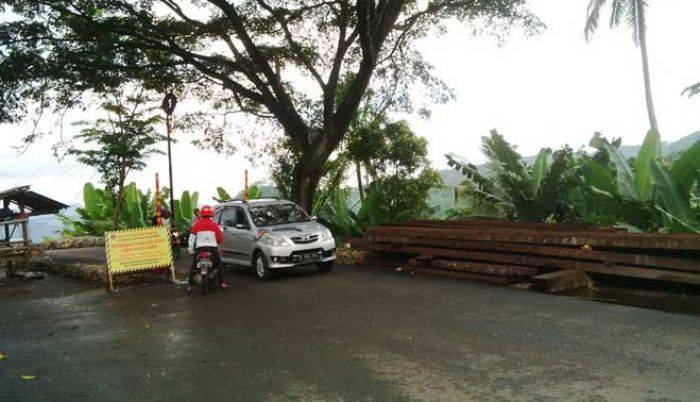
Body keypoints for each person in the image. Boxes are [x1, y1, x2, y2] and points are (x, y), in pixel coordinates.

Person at [187, 205, 228, 291]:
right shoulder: (214, 225)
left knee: (194, 266)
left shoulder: (197, 225)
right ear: (211, 214)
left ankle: (190, 285)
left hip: (200, 249)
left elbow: (191, 238)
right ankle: (222, 283)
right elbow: (219, 238)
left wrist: (190, 250)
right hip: (212, 249)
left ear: (201, 214)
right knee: (219, 265)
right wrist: (219, 241)